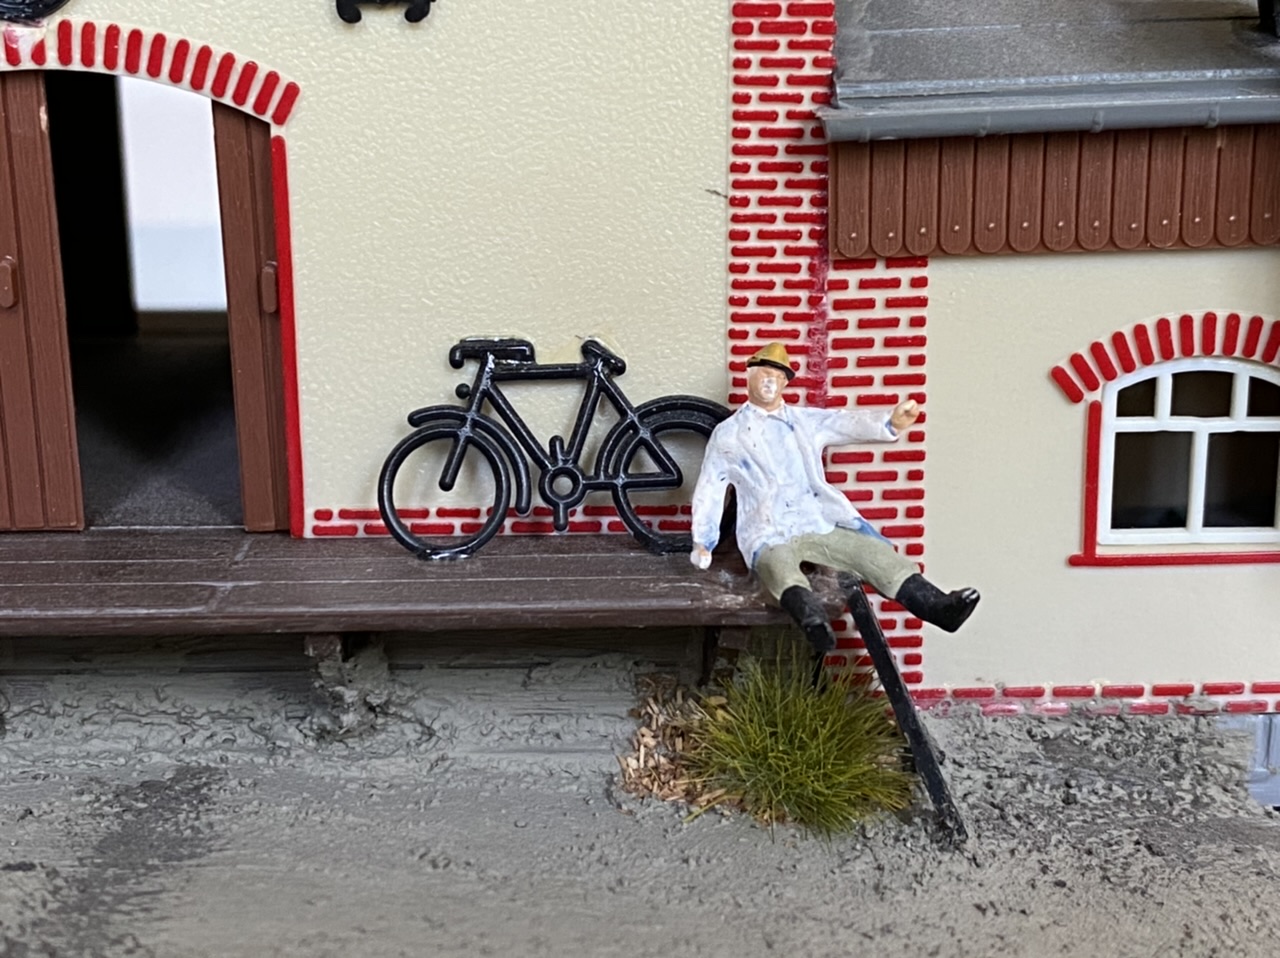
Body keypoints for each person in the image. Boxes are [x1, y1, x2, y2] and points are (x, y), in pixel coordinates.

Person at [690, 343, 979, 668]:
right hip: (769, 527)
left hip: (816, 520)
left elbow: (844, 423)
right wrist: (704, 541)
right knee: (778, 566)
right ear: (750, 376)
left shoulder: (804, 421)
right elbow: (710, 487)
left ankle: (937, 607)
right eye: (764, 373)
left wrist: (890, 422)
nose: (770, 381)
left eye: (778, 376)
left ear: (785, 382)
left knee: (872, 553)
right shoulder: (728, 435)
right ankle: (813, 622)